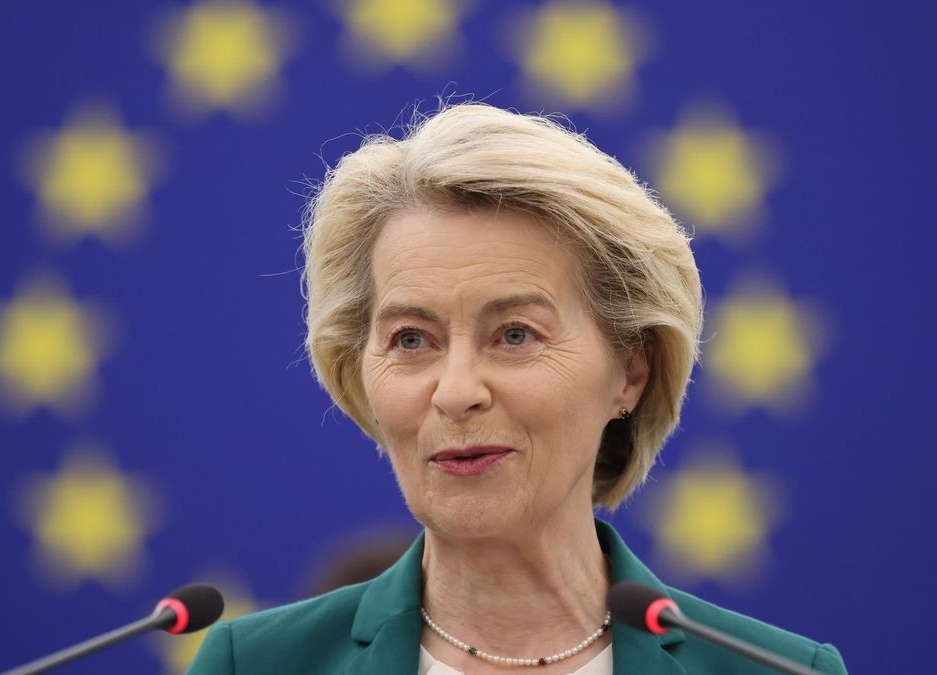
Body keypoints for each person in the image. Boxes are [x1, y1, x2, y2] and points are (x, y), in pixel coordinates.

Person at [187, 103, 847, 674]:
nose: (456, 392)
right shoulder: (256, 664)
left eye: (514, 334)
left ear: (631, 372)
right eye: (411, 339)